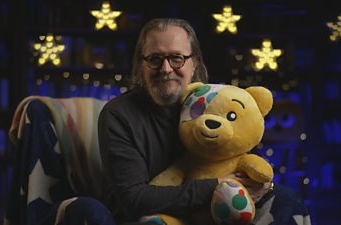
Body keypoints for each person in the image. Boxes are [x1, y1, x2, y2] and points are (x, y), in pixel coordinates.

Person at [98, 18, 273, 225]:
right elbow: (135, 200)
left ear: (194, 64)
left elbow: (236, 157)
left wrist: (260, 184)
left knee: (286, 200)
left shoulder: (208, 104)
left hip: (213, 213)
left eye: (176, 58)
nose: (165, 68)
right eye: (155, 59)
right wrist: (216, 186)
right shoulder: (118, 115)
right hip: (148, 219)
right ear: (141, 65)